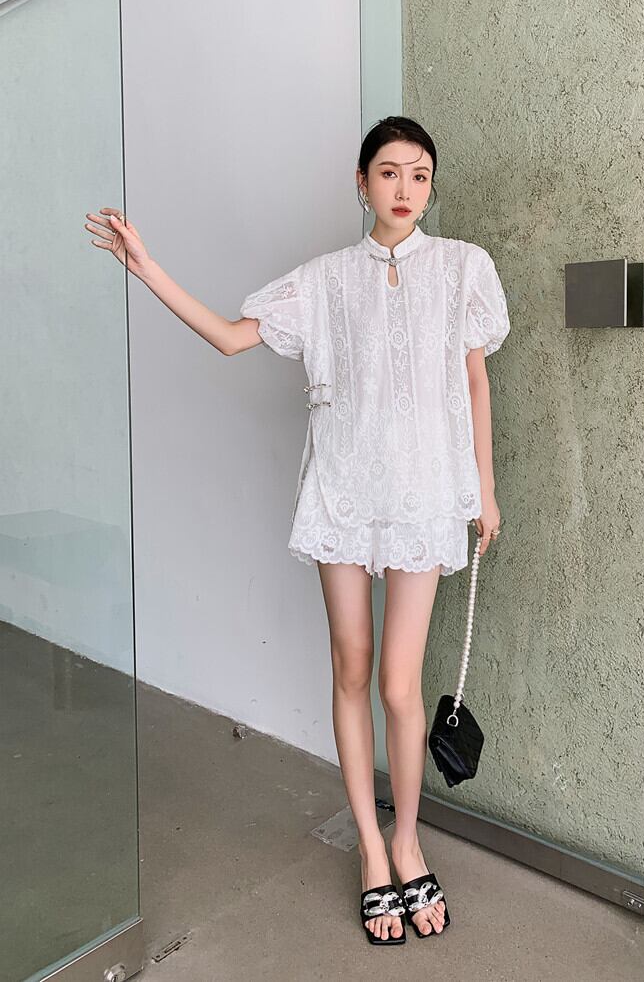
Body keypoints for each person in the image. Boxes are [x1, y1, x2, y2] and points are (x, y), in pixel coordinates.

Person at [84, 115, 511, 946]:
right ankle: (372, 853)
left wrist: (483, 490)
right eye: (388, 172)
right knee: (351, 669)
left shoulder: (464, 267)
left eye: (419, 174)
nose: (404, 189)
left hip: (424, 497)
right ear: (361, 182)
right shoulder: (323, 281)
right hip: (344, 495)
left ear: (431, 187)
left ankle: (409, 840)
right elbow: (230, 338)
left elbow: (474, 383)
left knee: (399, 685)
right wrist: (147, 267)